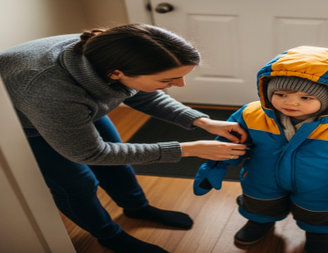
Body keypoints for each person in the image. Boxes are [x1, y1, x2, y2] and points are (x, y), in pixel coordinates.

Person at [0, 24, 248, 253]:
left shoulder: (108, 53)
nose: (180, 85)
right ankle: (109, 236)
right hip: (28, 124)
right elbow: (91, 154)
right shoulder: (52, 91)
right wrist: (189, 149)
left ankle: (137, 208)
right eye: (168, 80)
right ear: (116, 73)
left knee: (118, 162)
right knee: (77, 185)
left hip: (76, 107)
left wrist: (202, 121)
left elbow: (141, 93)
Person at [193, 46, 328, 253]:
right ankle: (259, 222)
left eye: (306, 98)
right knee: (259, 202)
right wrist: (215, 166)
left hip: (323, 184)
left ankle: (320, 233)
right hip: (262, 176)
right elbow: (230, 142)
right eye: (281, 94)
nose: (290, 102)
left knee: (320, 212)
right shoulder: (251, 114)